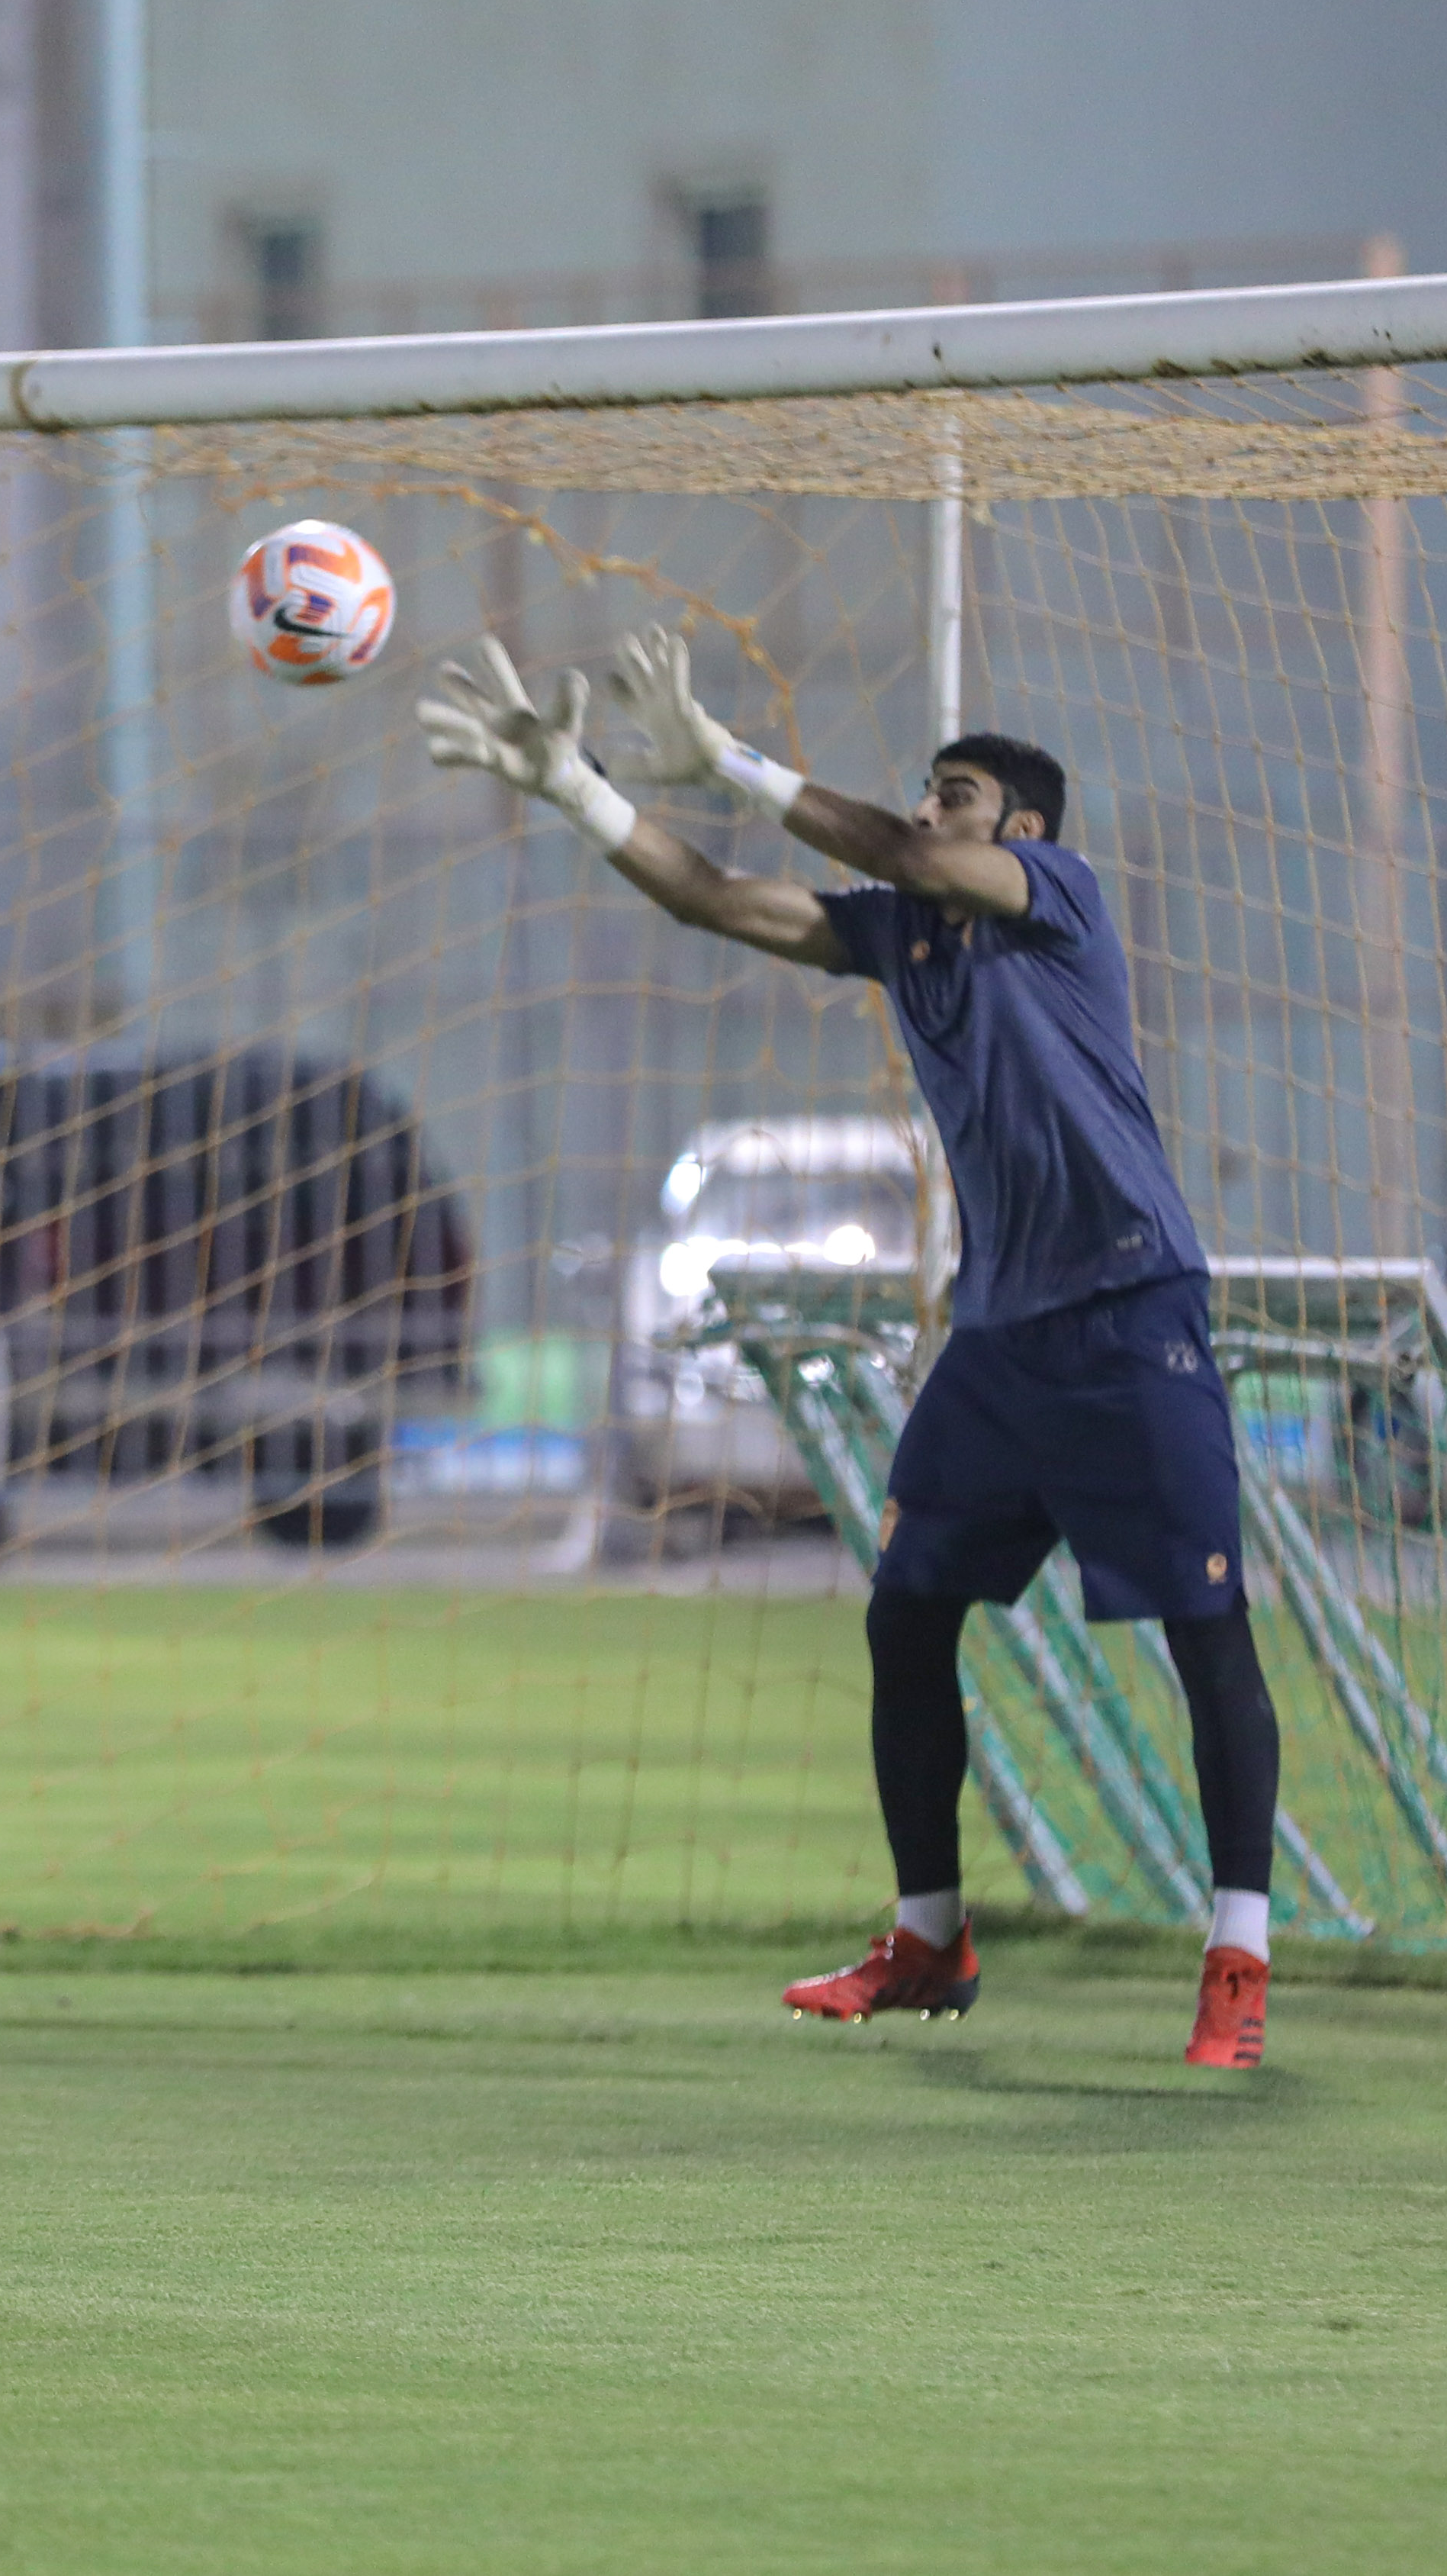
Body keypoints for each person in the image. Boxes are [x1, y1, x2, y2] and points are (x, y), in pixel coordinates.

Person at [418, 631, 1278, 2069]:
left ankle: (1237, 1959)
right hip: (998, 1337)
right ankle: (930, 1937)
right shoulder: (907, 931)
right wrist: (574, 783)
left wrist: (733, 761)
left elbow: (915, 858)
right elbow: (715, 902)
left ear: (1023, 828)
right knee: (904, 1612)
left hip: (1132, 1316)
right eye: (927, 793)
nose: (930, 812)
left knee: (1207, 1637)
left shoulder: (1052, 896)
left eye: (954, 793)